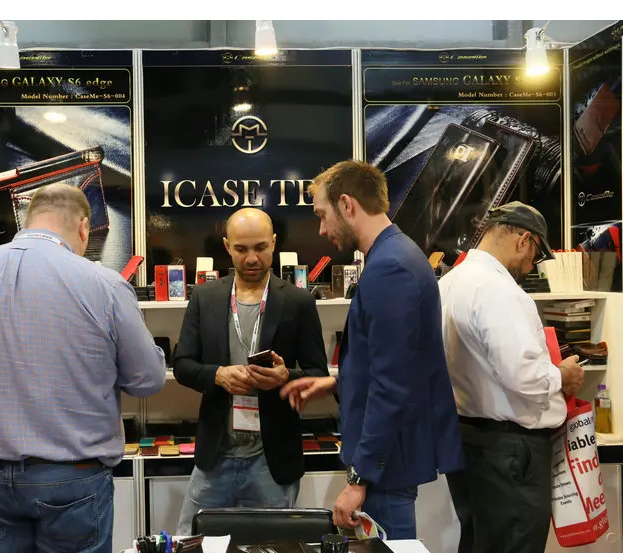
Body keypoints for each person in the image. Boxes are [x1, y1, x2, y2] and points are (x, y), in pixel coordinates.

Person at [0, 183, 166, 553]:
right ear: (84, 227)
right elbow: (147, 379)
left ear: (28, 219)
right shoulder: (104, 284)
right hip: (72, 478)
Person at [280, 160, 463, 538]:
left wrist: (359, 478)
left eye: (323, 215)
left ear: (347, 205)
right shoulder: (397, 255)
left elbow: (392, 385)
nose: (322, 229)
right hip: (389, 460)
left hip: (385, 466)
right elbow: (396, 362)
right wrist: (337, 383)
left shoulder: (390, 266)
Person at [438, 201, 584, 553]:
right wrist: (561, 375)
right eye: (536, 254)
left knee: (480, 542)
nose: (532, 265)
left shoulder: (449, 283)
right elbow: (525, 376)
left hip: (469, 439)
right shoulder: (499, 291)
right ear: (523, 240)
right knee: (515, 544)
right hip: (510, 452)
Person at [172, 207, 329, 535]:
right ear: (227, 247)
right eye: (242, 249)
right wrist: (218, 375)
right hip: (215, 457)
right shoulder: (205, 297)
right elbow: (182, 364)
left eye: (260, 247)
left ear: (274, 243)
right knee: (192, 542)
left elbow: (317, 372)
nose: (252, 258)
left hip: (272, 461)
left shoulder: (299, 302)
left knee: (275, 546)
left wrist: (286, 377)